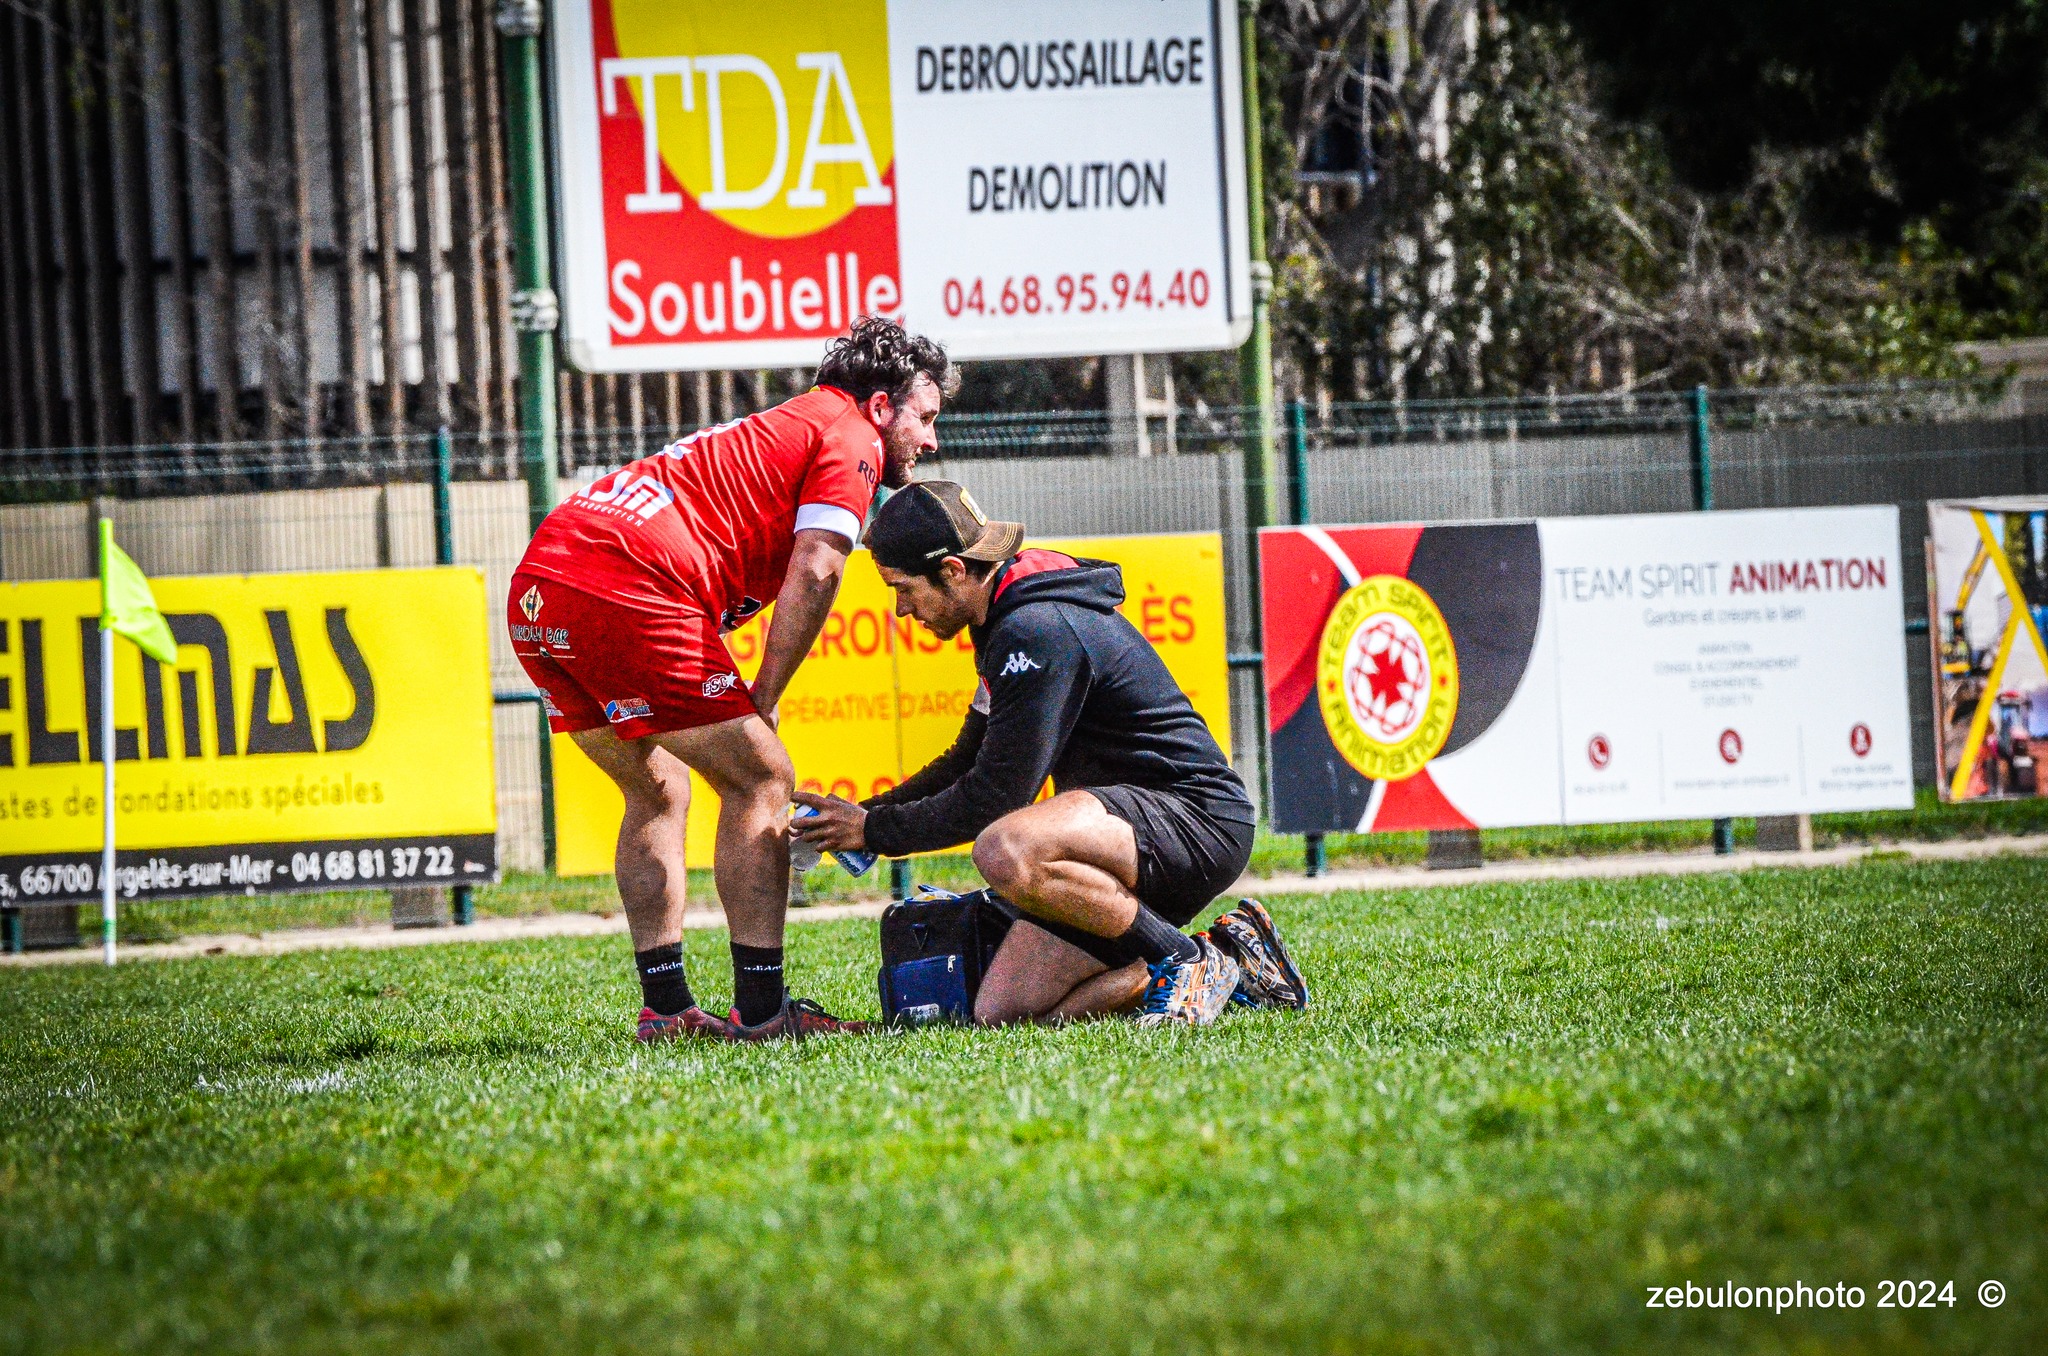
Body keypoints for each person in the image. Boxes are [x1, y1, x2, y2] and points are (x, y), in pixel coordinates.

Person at [508, 318, 956, 1042]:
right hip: (626, 582)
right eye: (926, 418)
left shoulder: (793, 423)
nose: (930, 440)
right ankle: (762, 1012)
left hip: (541, 584)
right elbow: (818, 565)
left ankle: (667, 1009)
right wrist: (765, 699)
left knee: (657, 787)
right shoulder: (850, 436)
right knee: (761, 777)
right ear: (882, 406)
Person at [792, 482, 1307, 1026]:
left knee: (1006, 848)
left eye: (903, 589)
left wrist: (875, 834)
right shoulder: (1004, 622)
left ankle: (1181, 959)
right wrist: (862, 817)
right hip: (1126, 838)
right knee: (1000, 1013)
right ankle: (1231, 956)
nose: (900, 610)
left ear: (952, 571)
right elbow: (966, 760)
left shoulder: (1034, 631)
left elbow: (995, 797)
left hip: (1197, 821)